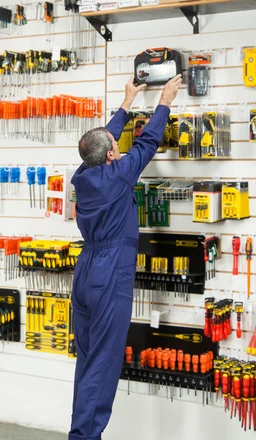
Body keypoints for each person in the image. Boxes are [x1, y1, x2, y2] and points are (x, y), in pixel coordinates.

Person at [69, 74, 182, 440]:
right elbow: (148, 141)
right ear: (112, 156)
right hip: (108, 273)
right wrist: (165, 100)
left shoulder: (84, 175)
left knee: (88, 362)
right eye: (116, 147)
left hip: (85, 272)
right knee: (103, 363)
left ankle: (83, 433)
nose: (118, 150)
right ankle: (85, 437)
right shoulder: (117, 175)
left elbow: (100, 141)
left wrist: (126, 102)